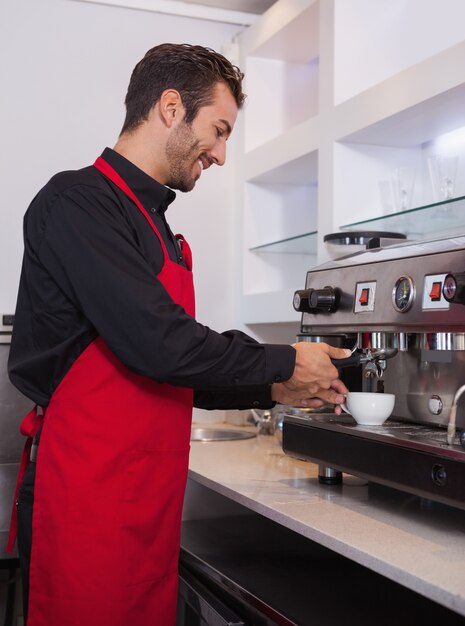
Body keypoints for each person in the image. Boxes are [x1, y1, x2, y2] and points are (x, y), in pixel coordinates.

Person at [7, 43, 350, 626]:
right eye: (217, 131)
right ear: (171, 108)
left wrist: (274, 389)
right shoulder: (78, 204)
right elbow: (159, 344)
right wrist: (284, 364)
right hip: (85, 502)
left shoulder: (160, 229)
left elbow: (176, 363)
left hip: (146, 504)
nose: (219, 154)